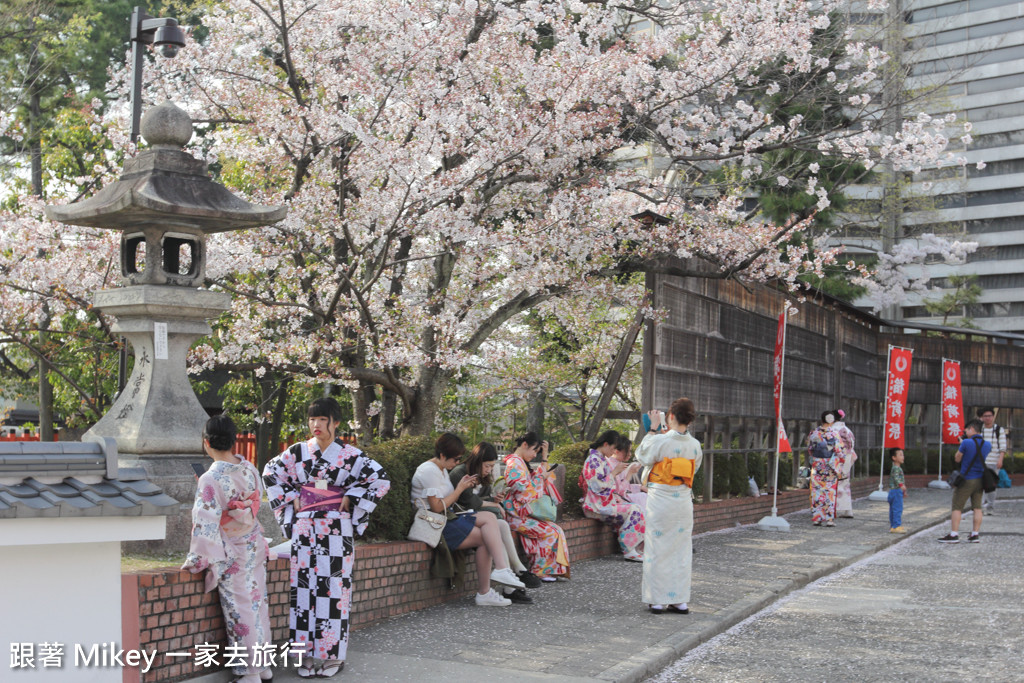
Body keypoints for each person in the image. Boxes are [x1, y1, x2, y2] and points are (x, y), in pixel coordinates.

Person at [263, 397, 391, 678]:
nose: (316, 425)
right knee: (303, 591)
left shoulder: (351, 455)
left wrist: (351, 495)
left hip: (336, 531)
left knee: (334, 591)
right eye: (312, 419)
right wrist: (293, 497)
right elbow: (270, 472)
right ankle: (305, 655)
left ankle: (333, 656)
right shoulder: (297, 452)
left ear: (336, 423)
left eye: (322, 419)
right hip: (306, 529)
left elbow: (380, 479)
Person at [183, 415, 272, 683]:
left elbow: (205, 523)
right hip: (253, 543)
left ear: (206, 443)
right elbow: (253, 507)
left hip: (232, 550)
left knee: (240, 608)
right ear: (233, 441)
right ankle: (264, 665)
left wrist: (197, 560)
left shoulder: (210, 478)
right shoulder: (249, 469)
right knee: (258, 603)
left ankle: (250, 673)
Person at [412, 433, 526, 607]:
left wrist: (463, 487)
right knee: (485, 536)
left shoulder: (440, 469)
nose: (458, 463)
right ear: (443, 456)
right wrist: (460, 489)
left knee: (489, 520)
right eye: (456, 459)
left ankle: (500, 572)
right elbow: (437, 507)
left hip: (446, 518)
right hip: (435, 522)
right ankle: (488, 588)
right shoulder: (429, 471)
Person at [636, 398, 703, 615]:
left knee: (657, 548)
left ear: (671, 416)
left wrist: (653, 429)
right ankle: (679, 600)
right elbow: (695, 468)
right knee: (680, 550)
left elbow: (643, 455)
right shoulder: (694, 445)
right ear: (690, 420)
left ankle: (657, 600)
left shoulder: (660, 441)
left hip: (661, 500)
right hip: (683, 501)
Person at [450, 441, 541, 591]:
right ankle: (510, 583)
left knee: (502, 525)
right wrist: (494, 505)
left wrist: (495, 500)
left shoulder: (483, 476)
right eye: (487, 466)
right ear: (477, 461)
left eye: (492, 466)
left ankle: (516, 570)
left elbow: (483, 501)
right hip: (461, 517)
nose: (489, 470)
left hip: (478, 517)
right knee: (497, 526)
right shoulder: (459, 473)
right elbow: (469, 502)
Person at [501, 432, 571, 581]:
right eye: (534, 450)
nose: (534, 455)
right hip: (515, 516)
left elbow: (532, 481)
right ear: (524, 445)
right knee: (551, 531)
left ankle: (549, 569)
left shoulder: (518, 462)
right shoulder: (514, 463)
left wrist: (544, 456)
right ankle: (540, 570)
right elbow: (521, 491)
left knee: (556, 529)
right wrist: (540, 478)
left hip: (520, 514)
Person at [581, 429, 645, 561]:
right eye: (613, 448)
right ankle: (629, 549)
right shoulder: (593, 460)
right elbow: (597, 486)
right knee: (635, 509)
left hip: (602, 503)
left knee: (636, 508)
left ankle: (634, 548)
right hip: (596, 506)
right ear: (605, 444)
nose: (613, 452)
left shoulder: (599, 459)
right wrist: (614, 473)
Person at [939, 419, 990, 544]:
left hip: (967, 479)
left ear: (972, 429)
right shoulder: (987, 444)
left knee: (957, 507)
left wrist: (962, 445)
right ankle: (975, 534)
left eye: (966, 430)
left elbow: (957, 459)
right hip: (980, 480)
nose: (965, 432)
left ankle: (954, 534)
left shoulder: (966, 442)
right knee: (977, 507)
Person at [807, 410, 843, 527]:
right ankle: (829, 519)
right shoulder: (834, 434)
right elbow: (839, 451)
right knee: (829, 492)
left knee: (817, 491)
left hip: (818, 465)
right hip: (830, 465)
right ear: (831, 420)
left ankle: (817, 518)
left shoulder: (814, 433)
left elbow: (810, 449)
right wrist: (840, 460)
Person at [977, 407, 1007, 516]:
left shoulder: (999, 430)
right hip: (980, 462)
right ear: (981, 417)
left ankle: (990, 507)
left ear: (993, 417)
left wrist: (1000, 460)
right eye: (985, 416)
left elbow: (1003, 447)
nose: (988, 418)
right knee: (979, 485)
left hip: (994, 461)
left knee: (991, 485)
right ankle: (978, 507)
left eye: (990, 416)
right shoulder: (979, 429)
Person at [832, 409, 858, 518]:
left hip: (837, 458)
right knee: (845, 483)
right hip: (848, 457)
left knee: (836, 483)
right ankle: (848, 510)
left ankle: (837, 509)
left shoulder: (832, 430)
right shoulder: (848, 430)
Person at [611, 434, 647, 509]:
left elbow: (626, 487)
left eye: (630, 451)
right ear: (616, 451)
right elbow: (619, 491)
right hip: (617, 500)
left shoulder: (618, 464)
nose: (630, 454)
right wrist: (630, 473)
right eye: (627, 451)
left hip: (622, 497)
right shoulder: (612, 466)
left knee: (645, 497)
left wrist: (641, 487)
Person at [888, 448, 907, 533]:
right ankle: (896, 526)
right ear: (894, 457)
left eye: (902, 454)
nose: (903, 456)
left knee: (893, 509)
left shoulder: (895, 468)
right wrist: (901, 485)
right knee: (897, 509)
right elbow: (896, 478)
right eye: (900, 455)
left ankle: (893, 525)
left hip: (893, 491)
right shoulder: (896, 468)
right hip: (896, 491)